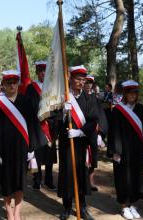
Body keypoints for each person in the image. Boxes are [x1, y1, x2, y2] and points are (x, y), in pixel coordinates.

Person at [0, 70, 46, 220]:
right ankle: (8, 211)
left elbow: (32, 126)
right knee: (6, 182)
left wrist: (31, 149)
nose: (12, 85)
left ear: (18, 83)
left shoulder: (26, 102)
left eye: (14, 82)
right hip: (3, 150)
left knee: (19, 182)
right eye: (8, 82)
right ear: (3, 85)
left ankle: (17, 211)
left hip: (22, 149)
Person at [107, 80, 143, 220]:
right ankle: (123, 206)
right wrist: (116, 151)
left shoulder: (141, 109)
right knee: (122, 178)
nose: (132, 95)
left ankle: (133, 204)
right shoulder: (118, 110)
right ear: (125, 94)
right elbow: (114, 132)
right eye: (129, 93)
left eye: (135, 93)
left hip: (137, 150)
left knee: (136, 177)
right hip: (123, 151)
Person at [58, 65, 98, 220]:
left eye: (83, 80)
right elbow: (54, 120)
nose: (81, 82)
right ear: (71, 79)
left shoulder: (90, 98)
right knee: (67, 173)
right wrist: (63, 114)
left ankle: (82, 206)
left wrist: (80, 132)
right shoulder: (63, 98)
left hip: (82, 143)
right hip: (67, 144)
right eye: (78, 79)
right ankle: (67, 207)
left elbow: (94, 119)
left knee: (81, 174)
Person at [25, 61, 57, 191]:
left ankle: (48, 180)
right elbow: (29, 106)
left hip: (50, 125)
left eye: (45, 71)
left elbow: (57, 105)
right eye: (41, 71)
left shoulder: (53, 88)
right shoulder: (31, 88)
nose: (43, 73)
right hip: (37, 125)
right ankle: (37, 180)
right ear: (37, 73)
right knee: (37, 153)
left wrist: (52, 118)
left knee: (49, 154)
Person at [83, 75, 108, 192]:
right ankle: (81, 180)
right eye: (86, 82)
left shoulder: (96, 100)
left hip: (93, 133)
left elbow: (101, 117)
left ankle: (90, 181)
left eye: (90, 83)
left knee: (92, 159)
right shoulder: (78, 98)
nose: (88, 85)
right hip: (81, 134)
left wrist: (100, 134)